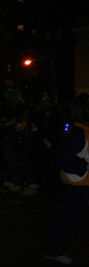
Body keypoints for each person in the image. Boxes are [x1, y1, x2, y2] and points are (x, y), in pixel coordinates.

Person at [43, 94, 89, 265]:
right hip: (81, 184)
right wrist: (83, 167)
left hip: (79, 183)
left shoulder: (83, 130)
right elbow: (62, 158)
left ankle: (54, 250)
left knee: (67, 218)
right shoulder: (78, 132)